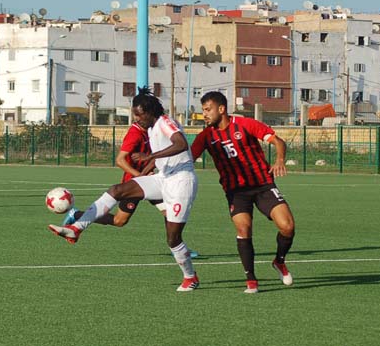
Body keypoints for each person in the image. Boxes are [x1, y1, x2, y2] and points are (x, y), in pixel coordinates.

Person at [49, 87, 200, 292]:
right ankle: (76, 228)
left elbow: (181, 144)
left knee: (173, 239)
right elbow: (160, 159)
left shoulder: (165, 122)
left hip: (181, 182)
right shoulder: (151, 128)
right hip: (163, 178)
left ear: (150, 111)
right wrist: (146, 172)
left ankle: (190, 277)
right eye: (134, 114)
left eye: (139, 114)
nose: (136, 118)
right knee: (117, 190)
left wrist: (150, 157)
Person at [190, 91, 295, 294]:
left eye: (208, 110)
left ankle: (279, 261)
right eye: (203, 110)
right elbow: (188, 159)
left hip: (263, 185)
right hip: (235, 191)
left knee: (287, 226)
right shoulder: (205, 136)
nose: (205, 114)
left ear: (221, 109)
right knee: (244, 228)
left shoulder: (245, 124)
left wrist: (280, 160)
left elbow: (278, 141)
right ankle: (251, 280)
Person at [61, 122, 200, 258]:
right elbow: (120, 160)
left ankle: (176, 246)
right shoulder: (135, 133)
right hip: (135, 184)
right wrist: (140, 177)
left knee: (168, 212)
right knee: (119, 221)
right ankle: (77, 215)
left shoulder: (152, 129)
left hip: (152, 180)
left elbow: (157, 156)